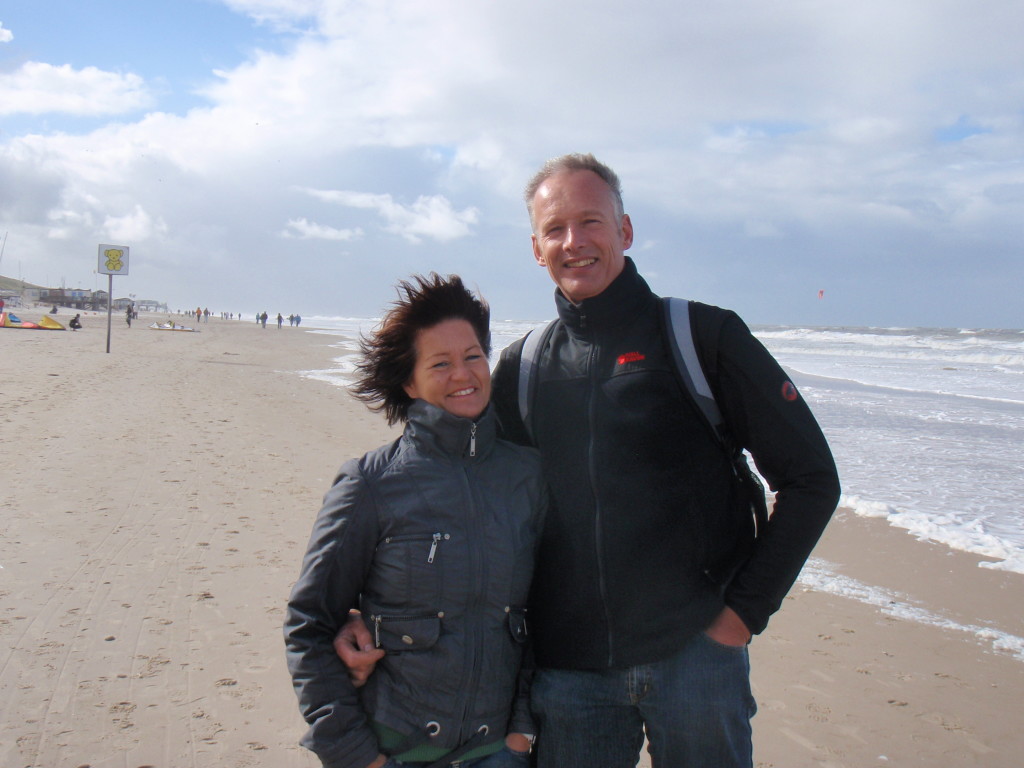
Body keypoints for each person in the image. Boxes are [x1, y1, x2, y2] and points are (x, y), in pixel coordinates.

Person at [338, 154, 840, 768]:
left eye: (591, 222)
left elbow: (813, 479)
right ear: (536, 248)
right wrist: (371, 612)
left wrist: (740, 617)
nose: (574, 242)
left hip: (695, 657)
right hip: (569, 675)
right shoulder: (524, 368)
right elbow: (468, 501)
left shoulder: (700, 337)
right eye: (555, 229)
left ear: (624, 231)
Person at [284, 274, 546, 768]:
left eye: (473, 356)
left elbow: (544, 613)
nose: (462, 373)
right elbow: (309, 624)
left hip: (499, 753)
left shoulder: (527, 476)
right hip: (395, 749)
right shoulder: (371, 484)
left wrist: (520, 733)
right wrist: (355, 755)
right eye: (440, 363)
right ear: (410, 381)